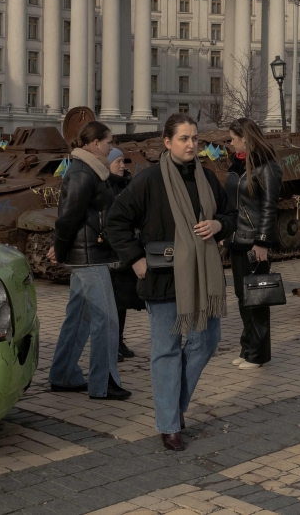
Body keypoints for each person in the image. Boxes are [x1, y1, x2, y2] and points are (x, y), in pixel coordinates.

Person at [107, 113, 236, 451]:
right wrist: (134, 259)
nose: (191, 144)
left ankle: (173, 406)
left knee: (207, 340)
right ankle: (169, 423)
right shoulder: (150, 180)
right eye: (183, 138)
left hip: (201, 278)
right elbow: (116, 220)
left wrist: (219, 226)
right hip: (163, 278)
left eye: (195, 138)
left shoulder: (207, 178)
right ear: (167, 142)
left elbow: (230, 214)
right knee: (165, 351)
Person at [47, 121, 131, 400]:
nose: (110, 147)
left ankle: (64, 374)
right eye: (108, 142)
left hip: (86, 254)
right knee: (106, 319)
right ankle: (103, 382)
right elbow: (68, 217)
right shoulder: (84, 172)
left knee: (79, 317)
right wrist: (59, 250)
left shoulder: (91, 171)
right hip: (88, 257)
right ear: (95, 143)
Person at [225, 118, 282, 370]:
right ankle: (247, 347)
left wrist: (262, 242)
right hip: (237, 240)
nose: (229, 142)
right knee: (242, 296)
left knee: (256, 299)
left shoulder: (267, 166)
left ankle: (258, 355)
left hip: (254, 242)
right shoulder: (237, 165)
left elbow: (270, 207)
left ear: (245, 138)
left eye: (232, 138)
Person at [107, 147, 144, 361]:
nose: (122, 166)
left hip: (125, 249)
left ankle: (119, 340)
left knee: (122, 300)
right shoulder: (105, 186)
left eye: (123, 161)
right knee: (111, 301)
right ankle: (111, 342)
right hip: (109, 251)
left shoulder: (128, 184)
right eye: (118, 162)